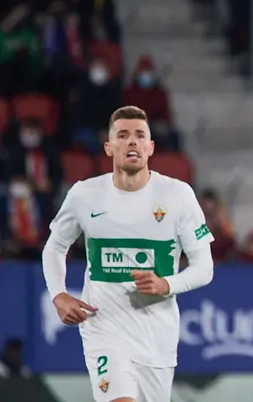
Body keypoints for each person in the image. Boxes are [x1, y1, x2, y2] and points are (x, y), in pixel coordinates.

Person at [41, 106, 215, 402]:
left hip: (157, 336)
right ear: (109, 147)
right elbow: (55, 246)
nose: (131, 141)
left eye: (139, 136)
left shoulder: (178, 195)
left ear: (150, 147)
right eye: (122, 135)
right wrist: (59, 294)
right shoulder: (85, 195)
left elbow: (204, 268)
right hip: (104, 329)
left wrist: (166, 284)